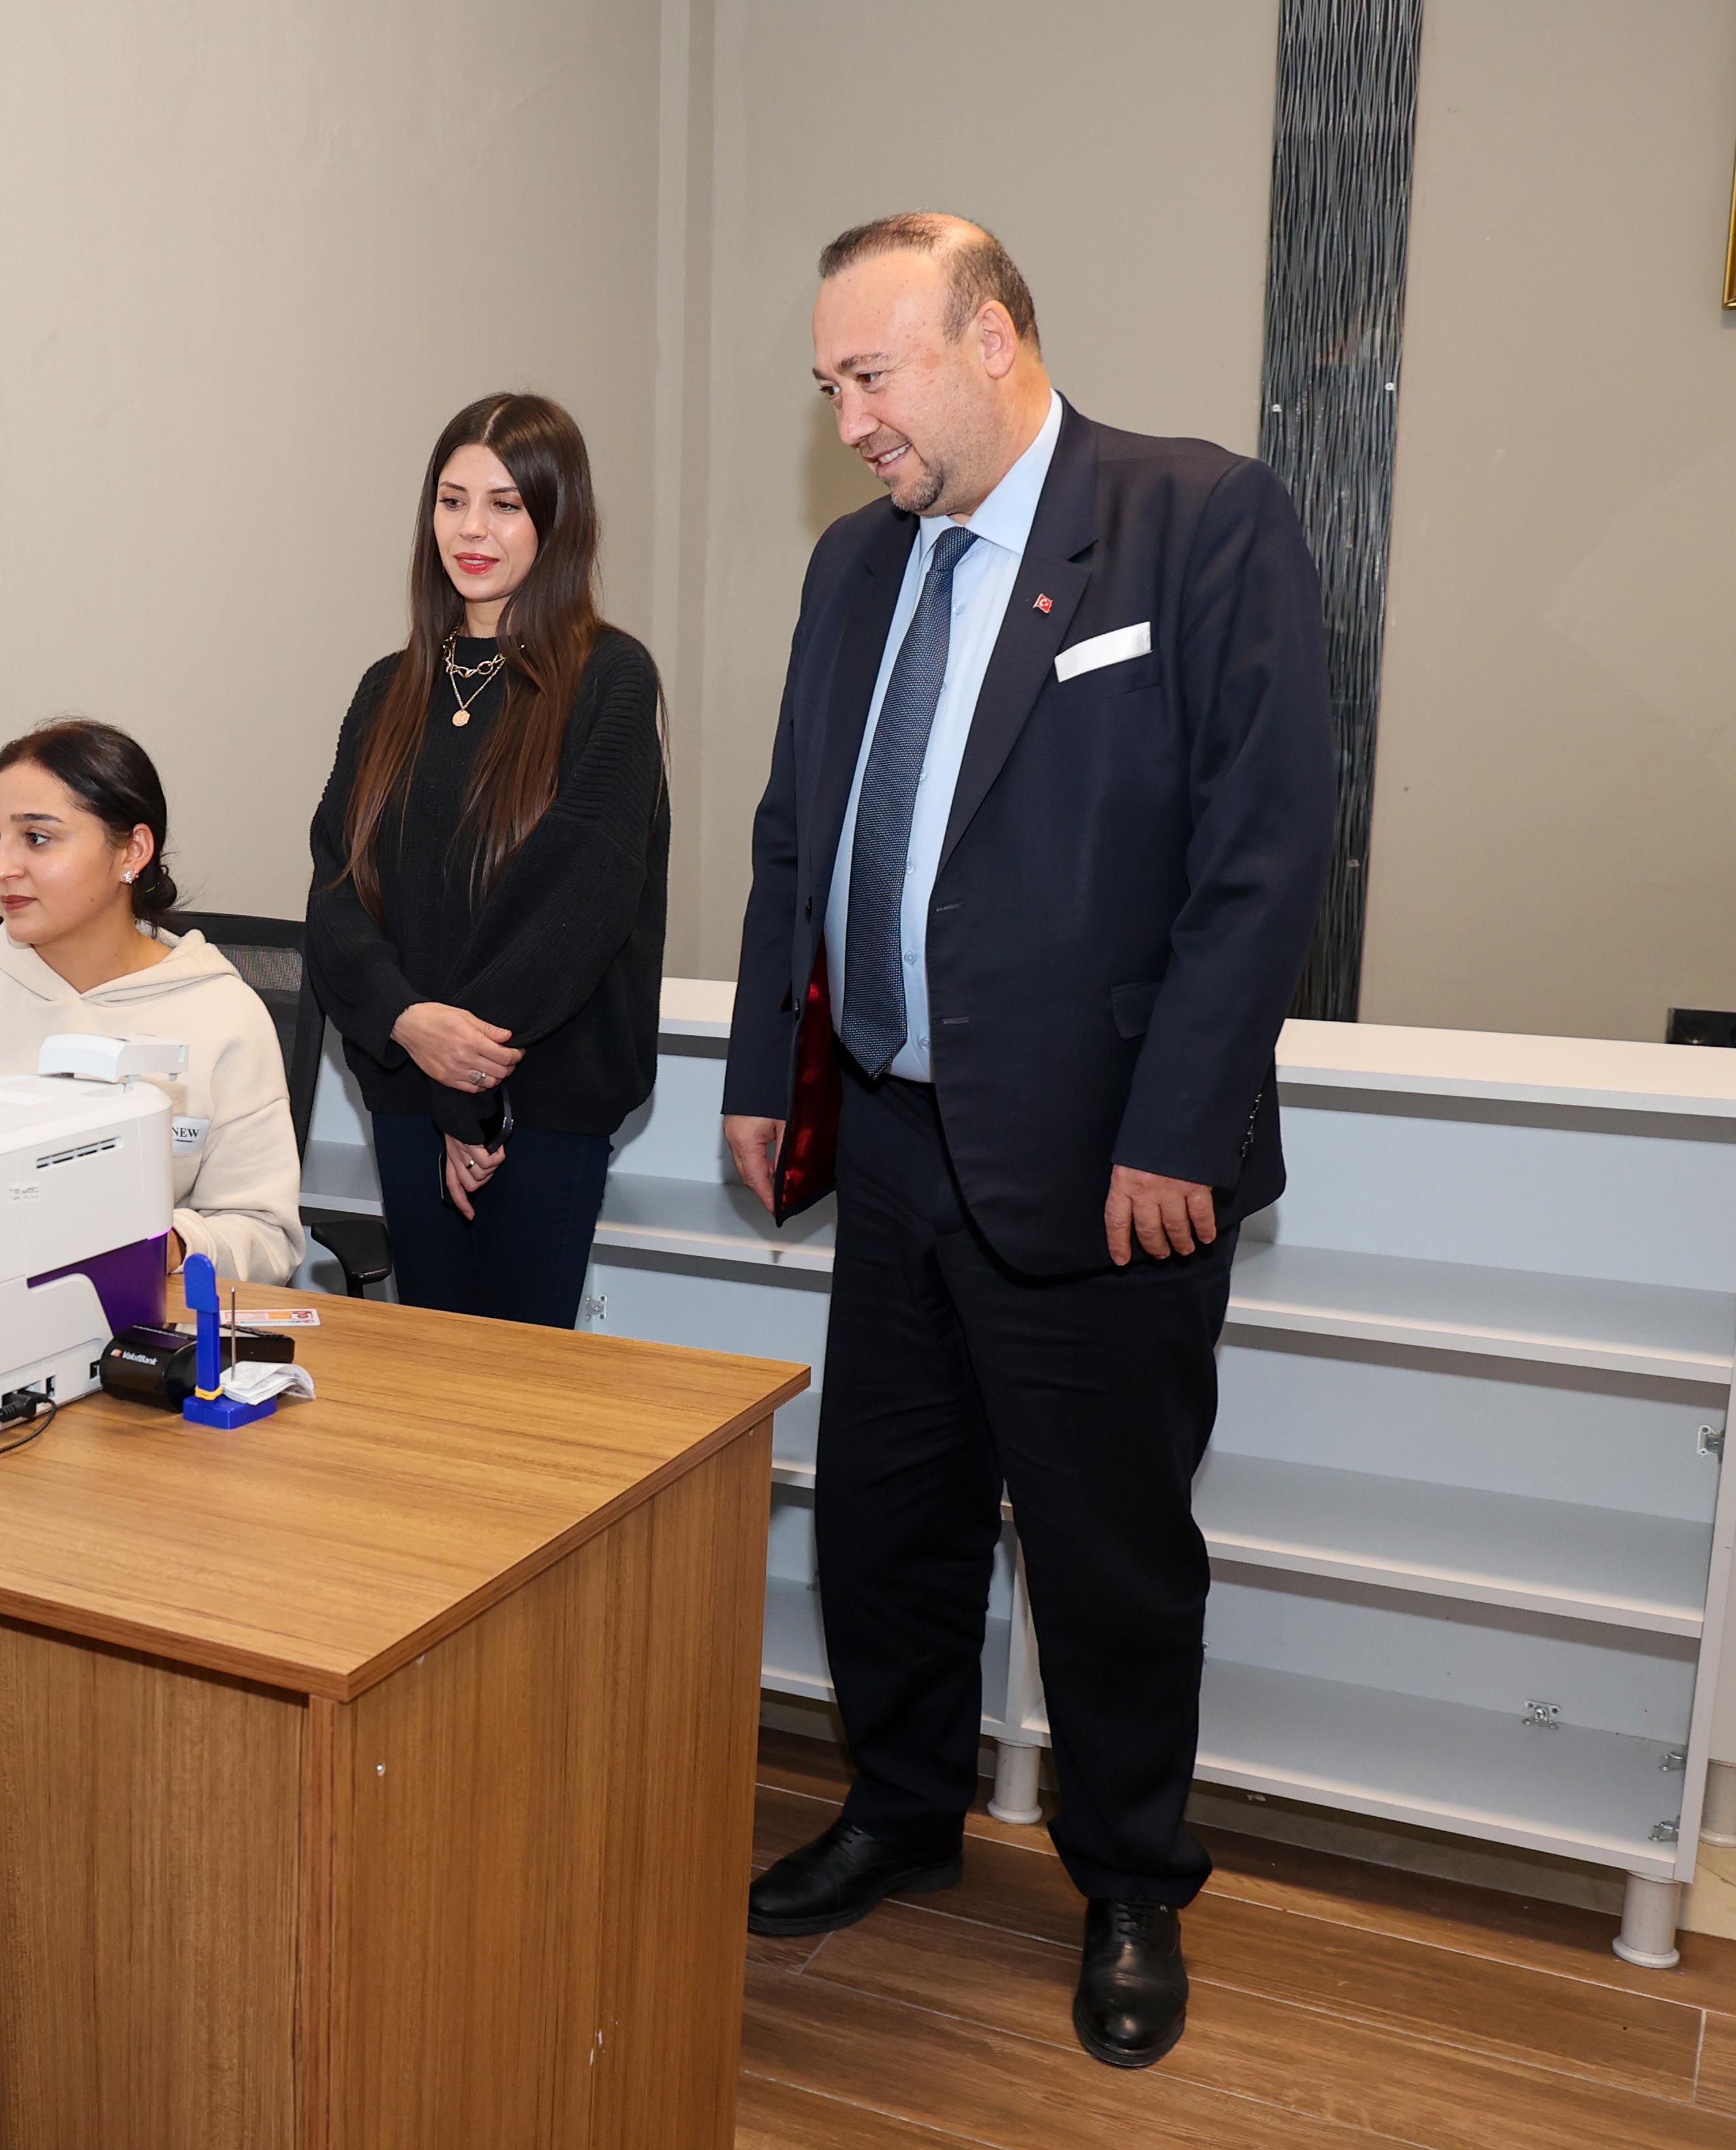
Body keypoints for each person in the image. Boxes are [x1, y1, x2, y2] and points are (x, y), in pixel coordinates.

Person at [723, 214, 1333, 2069]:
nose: (848, 421)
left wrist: (1181, 1128)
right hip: (894, 1141)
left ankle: (1133, 1878)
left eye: (871, 375)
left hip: (1107, 1162)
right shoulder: (854, 565)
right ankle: (902, 1809)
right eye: (828, 386)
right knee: (884, 1521)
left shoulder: (1194, 519)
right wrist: (765, 1072)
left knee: (1108, 1554)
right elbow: (793, 835)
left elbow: (1260, 858)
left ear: (990, 337)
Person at [302, 392, 668, 1328]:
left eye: (505, 504)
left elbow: (578, 900)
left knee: (525, 1388)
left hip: (543, 1103)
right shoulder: (389, 687)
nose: (472, 529)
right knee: (432, 1374)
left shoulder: (610, 678)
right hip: (407, 1096)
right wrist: (409, 1023)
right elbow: (337, 889)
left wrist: (464, 1085)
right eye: (452, 500)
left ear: (557, 518)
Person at [0, 720, 303, 1284]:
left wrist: (171, 1244)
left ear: (132, 851)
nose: (1, 868)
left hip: (131, 1311)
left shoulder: (221, 1012)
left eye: (36, 837)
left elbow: (265, 1234)